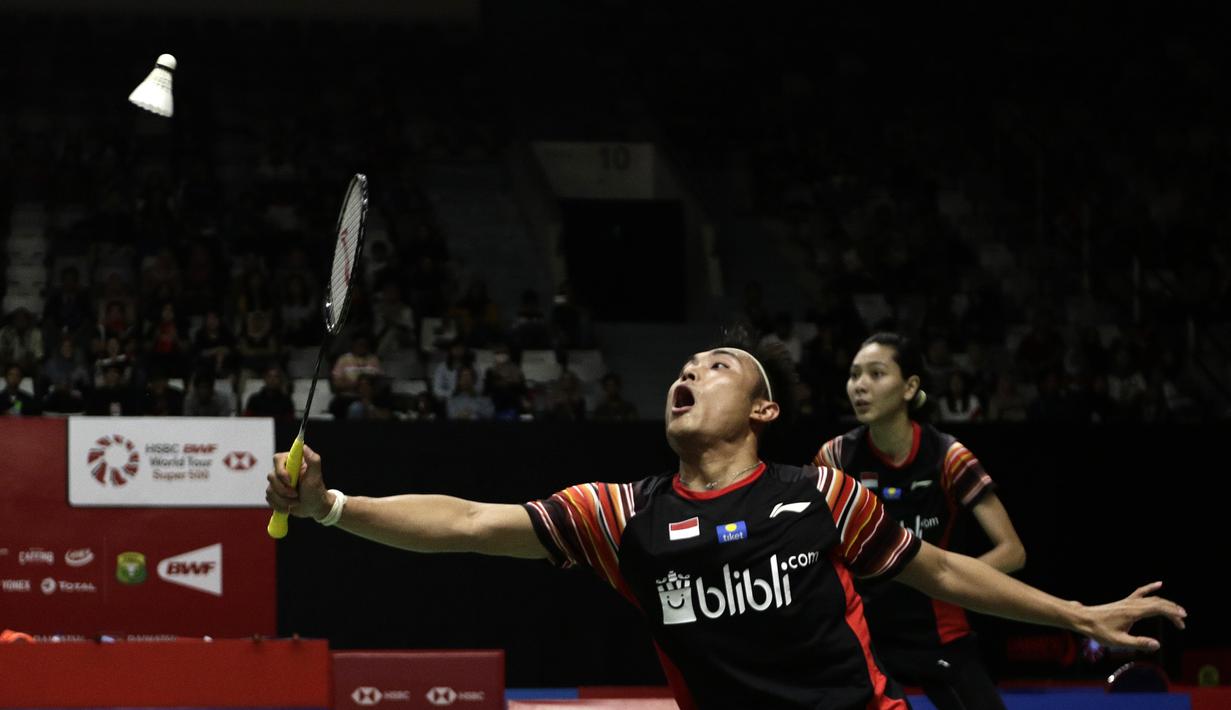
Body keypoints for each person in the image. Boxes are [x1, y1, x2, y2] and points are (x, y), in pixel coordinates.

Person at [267, 331, 1184, 710]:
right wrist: (332, 507)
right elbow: (466, 521)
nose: (694, 369)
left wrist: (1079, 615)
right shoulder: (623, 514)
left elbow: (941, 572)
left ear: (763, 410)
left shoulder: (820, 494)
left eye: (719, 365)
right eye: (689, 364)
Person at [814, 332, 1024, 710]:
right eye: (854, 375)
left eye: (876, 374)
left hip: (938, 630)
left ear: (910, 386)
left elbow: (1012, 552)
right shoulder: (837, 457)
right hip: (865, 633)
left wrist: (949, 579)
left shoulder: (949, 456)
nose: (860, 386)